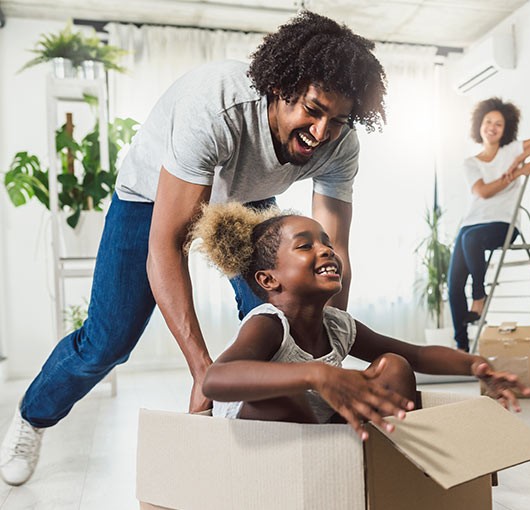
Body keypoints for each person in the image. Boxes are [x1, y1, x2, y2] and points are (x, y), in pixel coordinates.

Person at [0, 11, 387, 486]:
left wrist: (327, 352)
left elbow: (333, 253)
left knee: (280, 309)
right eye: (313, 110)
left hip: (248, 197)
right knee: (107, 342)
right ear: (281, 88)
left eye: (338, 119)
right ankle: (32, 416)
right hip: (150, 198)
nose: (321, 132)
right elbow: (167, 245)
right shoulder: (217, 107)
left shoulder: (340, 144)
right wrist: (203, 371)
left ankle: (271, 444)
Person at [195, 203, 530, 438]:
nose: (326, 250)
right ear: (269, 280)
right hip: (256, 432)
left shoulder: (337, 325)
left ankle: (384, 462)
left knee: (394, 366)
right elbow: (214, 380)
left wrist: (474, 365)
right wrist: (315, 373)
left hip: (319, 427)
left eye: (326, 243)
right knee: (286, 393)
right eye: (305, 246)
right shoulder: (269, 323)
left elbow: (416, 355)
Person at [447, 98, 530, 352]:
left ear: (506, 129)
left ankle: (479, 296)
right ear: (479, 125)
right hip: (471, 224)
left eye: (499, 124)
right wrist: (518, 173)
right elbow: (482, 192)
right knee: (453, 285)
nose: (492, 127)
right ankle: (462, 347)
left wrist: (519, 158)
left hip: (503, 224)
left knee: (470, 239)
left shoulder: (511, 150)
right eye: (488, 122)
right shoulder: (471, 163)